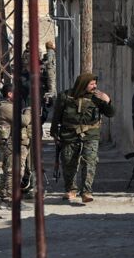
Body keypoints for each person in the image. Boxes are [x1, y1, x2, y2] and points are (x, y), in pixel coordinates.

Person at [49, 72, 116, 204]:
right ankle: (71, 189)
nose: (94, 86)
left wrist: (107, 101)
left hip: (91, 134)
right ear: (83, 84)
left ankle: (86, 191)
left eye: (95, 83)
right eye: (91, 84)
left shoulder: (97, 98)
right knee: (68, 161)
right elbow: (56, 116)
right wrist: (54, 133)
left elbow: (111, 113)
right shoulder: (65, 96)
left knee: (89, 161)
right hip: (69, 134)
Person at [0, 82, 33, 209]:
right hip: (13, 143)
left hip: (13, 142)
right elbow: (24, 121)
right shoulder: (6, 108)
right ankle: (11, 200)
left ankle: (5, 199)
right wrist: (28, 111)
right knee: (14, 172)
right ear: (10, 94)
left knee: (9, 172)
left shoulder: (8, 106)